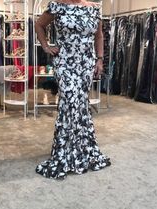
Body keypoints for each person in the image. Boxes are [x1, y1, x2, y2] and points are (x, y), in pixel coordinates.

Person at [35, 0, 111, 179]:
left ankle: (81, 149)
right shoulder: (56, 5)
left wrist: (99, 59)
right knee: (69, 103)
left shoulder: (94, 8)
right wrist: (46, 46)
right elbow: (39, 25)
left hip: (86, 63)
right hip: (65, 62)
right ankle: (64, 153)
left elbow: (98, 36)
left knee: (81, 105)